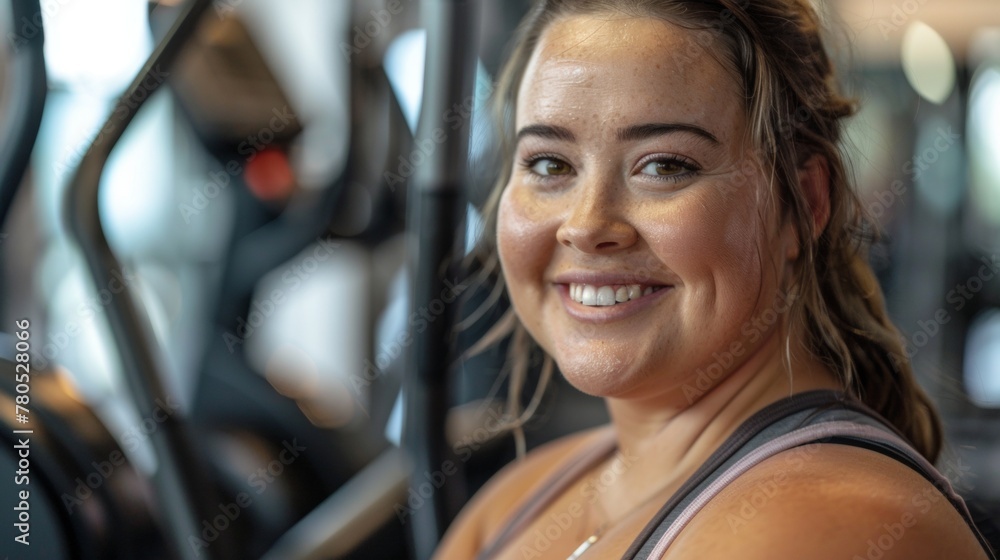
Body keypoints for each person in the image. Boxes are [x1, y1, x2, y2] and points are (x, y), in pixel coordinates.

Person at [435, 1, 996, 558]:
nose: (585, 226)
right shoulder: (516, 501)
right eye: (549, 164)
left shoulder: (820, 526)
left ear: (804, 202)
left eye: (663, 166)